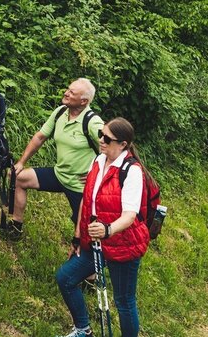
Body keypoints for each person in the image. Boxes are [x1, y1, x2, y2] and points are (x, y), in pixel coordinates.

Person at [55, 117, 151, 337]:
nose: (101, 140)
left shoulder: (132, 171)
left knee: (124, 301)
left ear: (123, 144)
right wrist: (78, 236)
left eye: (107, 138)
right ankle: (83, 330)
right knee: (66, 278)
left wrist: (107, 229)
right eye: (101, 134)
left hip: (123, 244)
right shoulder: (98, 160)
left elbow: (130, 215)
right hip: (94, 242)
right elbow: (86, 200)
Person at [0, 78, 104, 240]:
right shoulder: (60, 112)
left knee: (84, 229)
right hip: (59, 175)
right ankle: (15, 228)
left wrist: (98, 174)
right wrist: (21, 163)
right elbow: (40, 137)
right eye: (68, 89)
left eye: (72, 92)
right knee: (20, 178)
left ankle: (83, 254)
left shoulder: (93, 122)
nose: (66, 93)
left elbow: (113, 148)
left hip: (80, 185)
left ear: (84, 101)